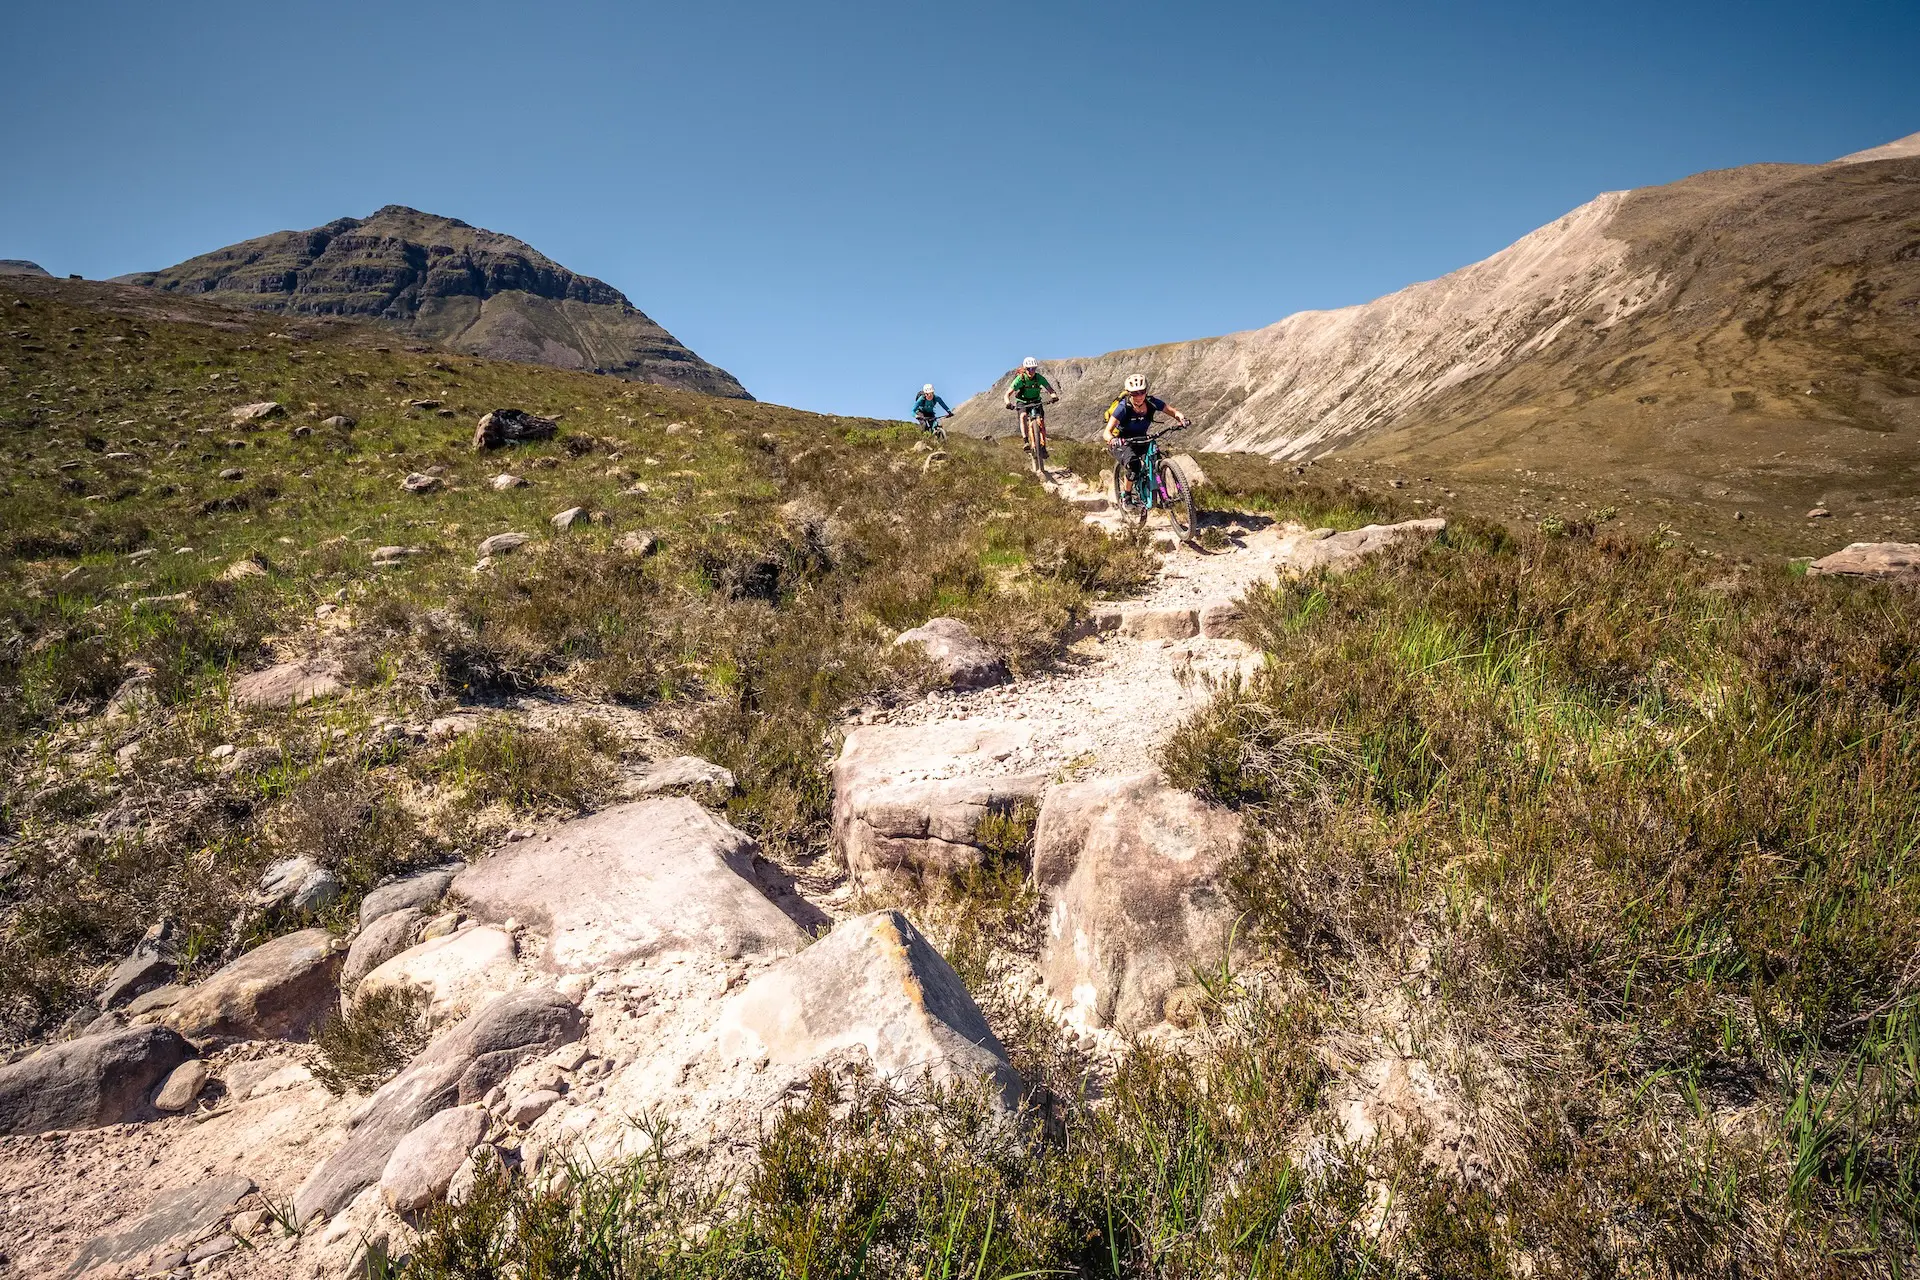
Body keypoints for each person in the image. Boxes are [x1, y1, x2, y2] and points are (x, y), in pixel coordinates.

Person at [1105, 373, 1189, 500]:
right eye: (1134, 393)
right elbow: (1106, 432)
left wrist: (1181, 418)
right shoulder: (1123, 407)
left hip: (1142, 438)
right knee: (1134, 466)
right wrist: (1113, 439)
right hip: (1123, 441)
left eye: (1142, 392)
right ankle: (1127, 496)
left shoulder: (1151, 402)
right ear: (1128, 393)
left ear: (1146, 391)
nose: (1139, 396)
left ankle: (1166, 493)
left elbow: (1172, 411)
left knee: (1157, 458)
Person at [1003, 357, 1058, 452]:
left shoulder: (1039, 378)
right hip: (1022, 402)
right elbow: (1007, 394)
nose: (1031, 371)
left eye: (1033, 369)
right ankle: (1026, 441)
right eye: (1029, 369)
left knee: (1040, 421)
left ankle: (1043, 446)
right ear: (1025, 369)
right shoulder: (1020, 379)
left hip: (1035, 401)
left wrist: (1054, 396)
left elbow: (1050, 389)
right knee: (1023, 416)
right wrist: (1008, 403)